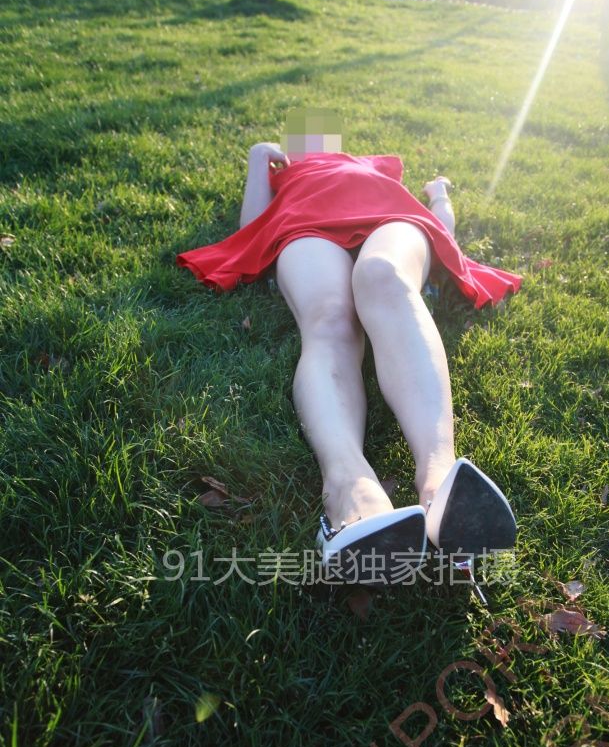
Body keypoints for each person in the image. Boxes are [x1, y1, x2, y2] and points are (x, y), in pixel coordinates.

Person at [177, 109, 522, 585]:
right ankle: (350, 492)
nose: (312, 137)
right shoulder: (287, 174)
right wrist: (259, 161)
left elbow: (437, 225)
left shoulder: (372, 164)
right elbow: (250, 226)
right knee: (329, 318)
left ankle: (440, 480)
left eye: (320, 131)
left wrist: (439, 194)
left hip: (389, 221)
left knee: (382, 277)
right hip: (306, 228)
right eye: (300, 133)